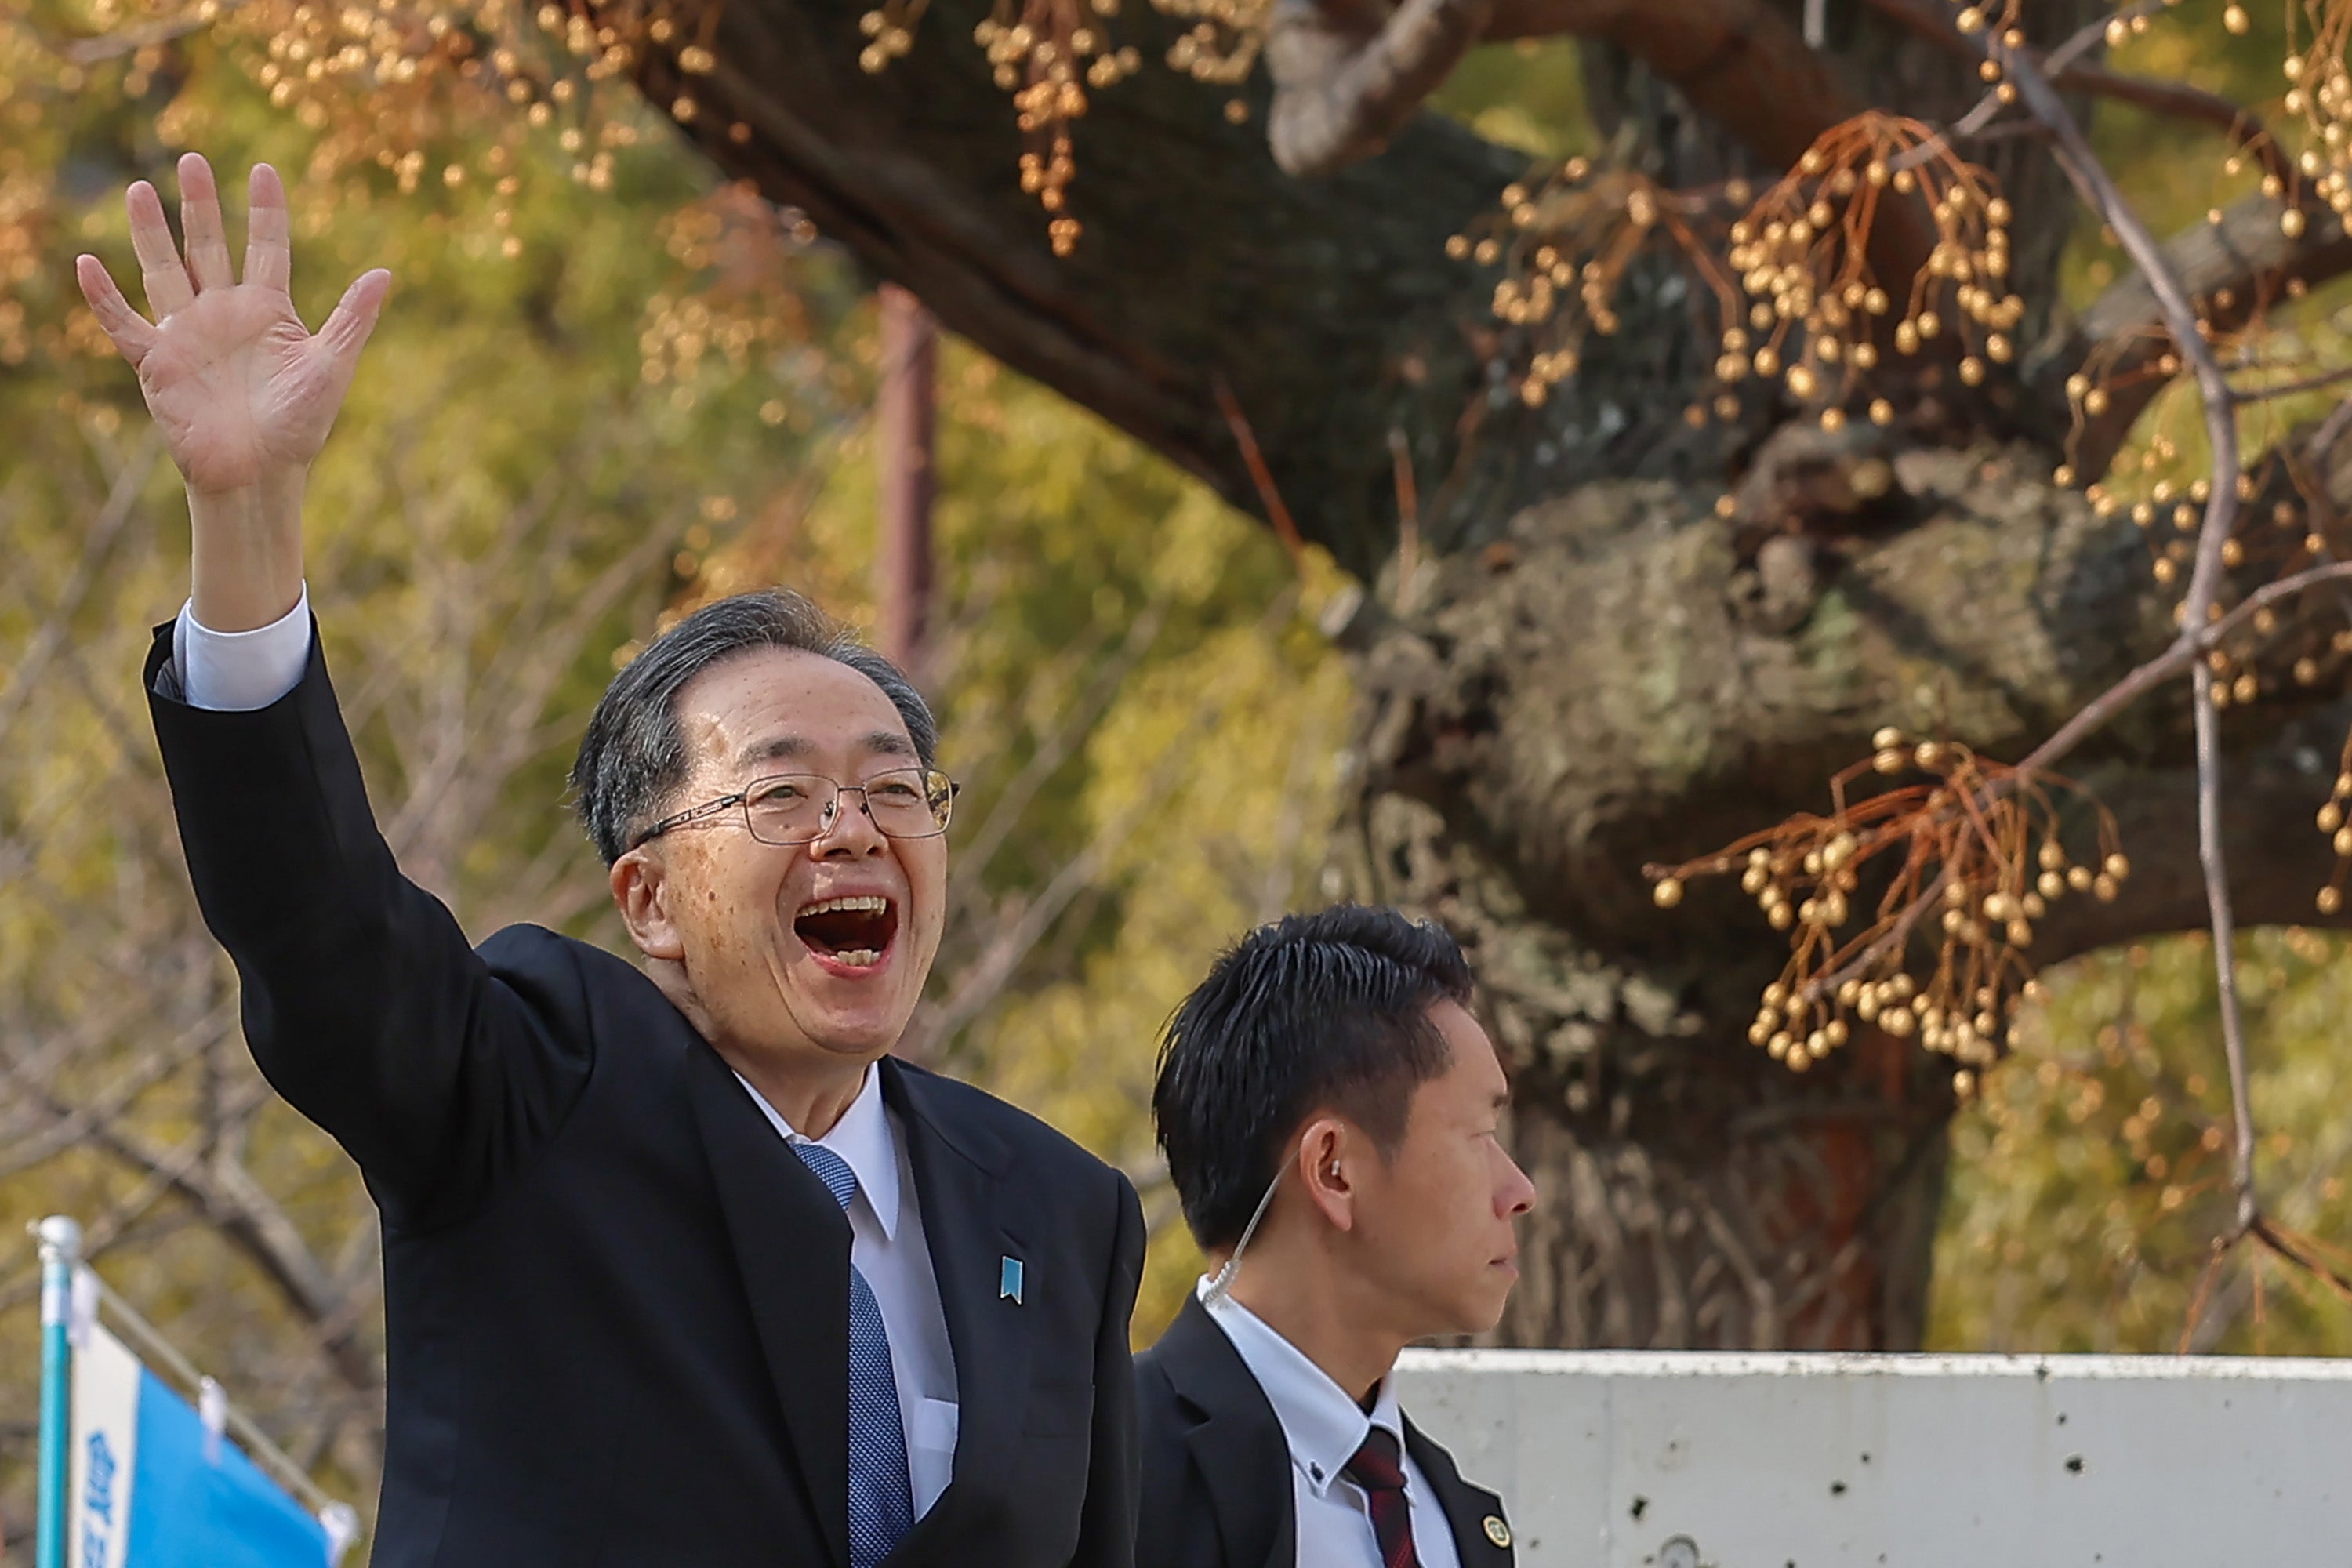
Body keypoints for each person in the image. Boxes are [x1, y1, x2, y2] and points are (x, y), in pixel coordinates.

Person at [76, 153, 1142, 1568]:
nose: (853, 829)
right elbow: (319, 929)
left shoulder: (1058, 1209)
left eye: (895, 789)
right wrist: (246, 520)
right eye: (781, 793)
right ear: (646, 896)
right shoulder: (534, 1093)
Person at [1136, 906, 1534, 1568]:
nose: (1519, 1190)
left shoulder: (1458, 1515)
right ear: (1333, 1169)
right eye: (1481, 1138)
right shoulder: (1102, 1475)